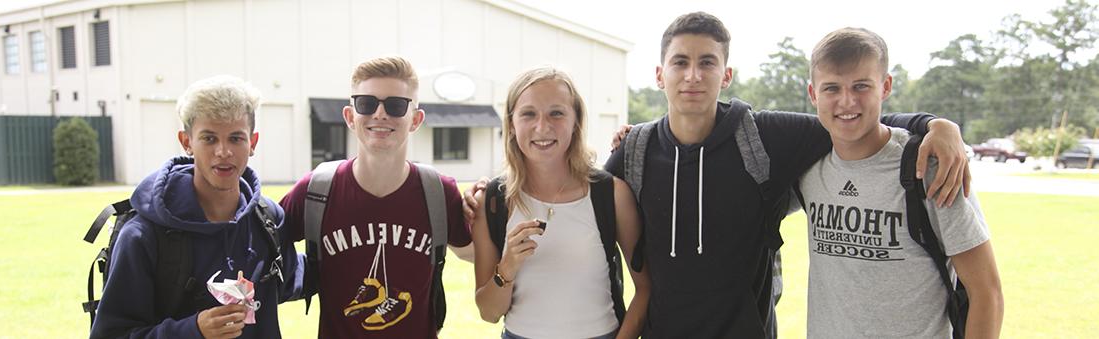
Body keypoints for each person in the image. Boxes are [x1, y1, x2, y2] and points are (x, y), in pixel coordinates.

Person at [595, 12, 972, 338]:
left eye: (707, 62)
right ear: (660, 74)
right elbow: (583, 202)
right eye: (680, 62)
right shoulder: (635, 151)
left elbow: (850, 117)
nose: (693, 75)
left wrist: (935, 125)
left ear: (726, 75)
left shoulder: (763, 136)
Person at [798, 27, 1002, 338]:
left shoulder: (929, 167)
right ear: (813, 94)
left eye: (861, 86)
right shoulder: (807, 167)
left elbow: (986, 292)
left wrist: (940, 126)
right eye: (832, 88)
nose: (847, 101)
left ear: (886, 86)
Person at [89, 75, 305, 338]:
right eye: (209, 138)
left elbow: (302, 277)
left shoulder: (268, 220)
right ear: (187, 142)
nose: (223, 151)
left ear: (253, 143)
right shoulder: (142, 236)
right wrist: (193, 330)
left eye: (236, 138)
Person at [278, 56, 472, 338]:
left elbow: (477, 254)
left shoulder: (438, 193)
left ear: (416, 119)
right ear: (350, 116)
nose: (380, 114)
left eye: (395, 105)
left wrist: (490, 206)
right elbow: (256, 246)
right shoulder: (316, 191)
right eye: (367, 103)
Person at [469, 67, 649, 339]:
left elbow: (645, 289)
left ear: (576, 120)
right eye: (528, 114)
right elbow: (489, 313)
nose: (542, 127)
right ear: (512, 123)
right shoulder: (493, 201)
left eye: (557, 113)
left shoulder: (611, 194)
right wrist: (506, 268)